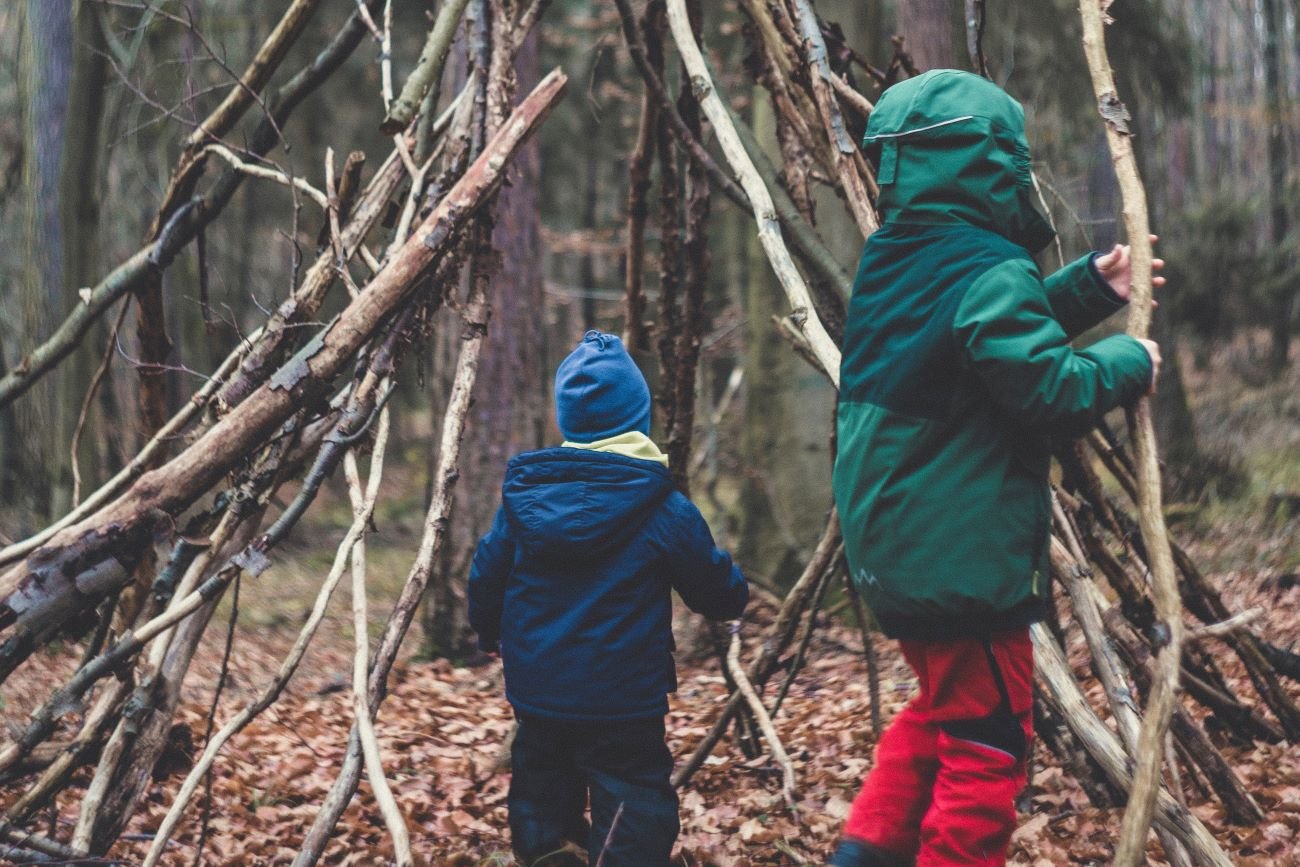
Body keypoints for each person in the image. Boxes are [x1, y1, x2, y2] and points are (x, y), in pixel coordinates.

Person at [829, 70, 1164, 866]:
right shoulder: (988, 265)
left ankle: (864, 856)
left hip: (897, 550)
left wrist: (1090, 288)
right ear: (993, 163)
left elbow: (982, 336)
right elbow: (1047, 388)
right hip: (960, 560)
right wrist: (1128, 361)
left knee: (942, 712)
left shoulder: (895, 259)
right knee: (988, 744)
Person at [468, 330, 748, 867]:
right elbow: (711, 585)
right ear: (637, 418)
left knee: (542, 787)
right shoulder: (661, 505)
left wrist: (488, 630)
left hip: (540, 687)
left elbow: (488, 571)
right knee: (632, 794)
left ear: (568, 421)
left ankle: (549, 856)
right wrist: (733, 596)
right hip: (624, 694)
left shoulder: (527, 500)